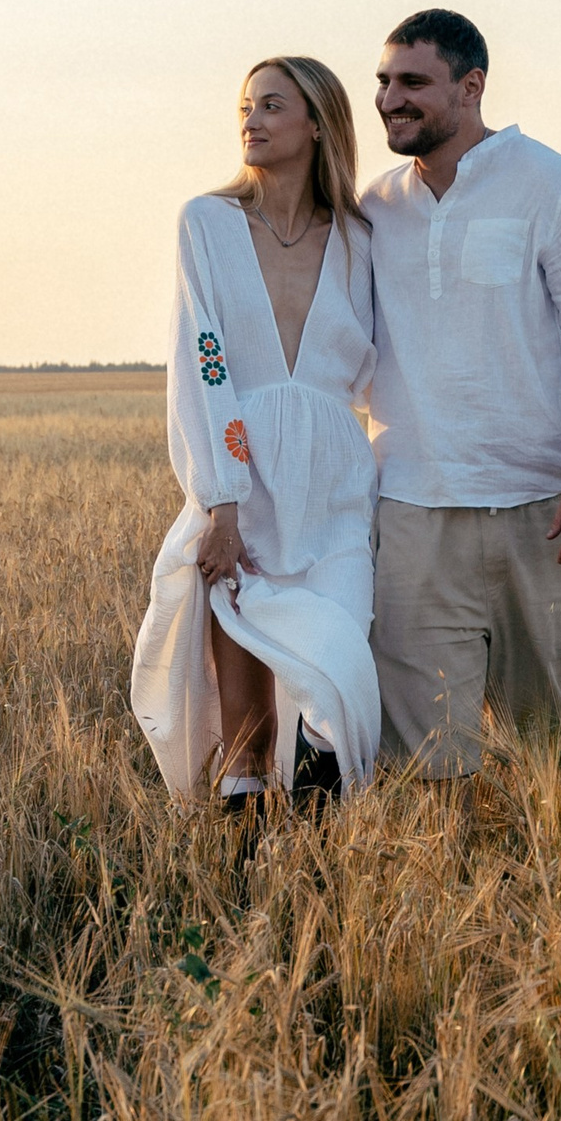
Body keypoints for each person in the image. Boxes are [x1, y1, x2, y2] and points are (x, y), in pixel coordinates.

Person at [362, 7, 561, 776]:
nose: (392, 99)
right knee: (423, 753)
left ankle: (556, 887)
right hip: (414, 514)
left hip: (541, 510)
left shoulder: (550, 186)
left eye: (413, 82)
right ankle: (445, 893)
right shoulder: (374, 209)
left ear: (472, 85)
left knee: (549, 741)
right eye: (384, 82)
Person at [131, 57, 380, 809]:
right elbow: (201, 362)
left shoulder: (362, 240)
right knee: (247, 718)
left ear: (317, 123)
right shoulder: (206, 224)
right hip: (248, 480)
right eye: (245, 105)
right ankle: (249, 888)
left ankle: (321, 867)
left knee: (335, 677)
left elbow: (388, 367)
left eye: (272, 105)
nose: (252, 119)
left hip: (337, 488)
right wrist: (222, 502)